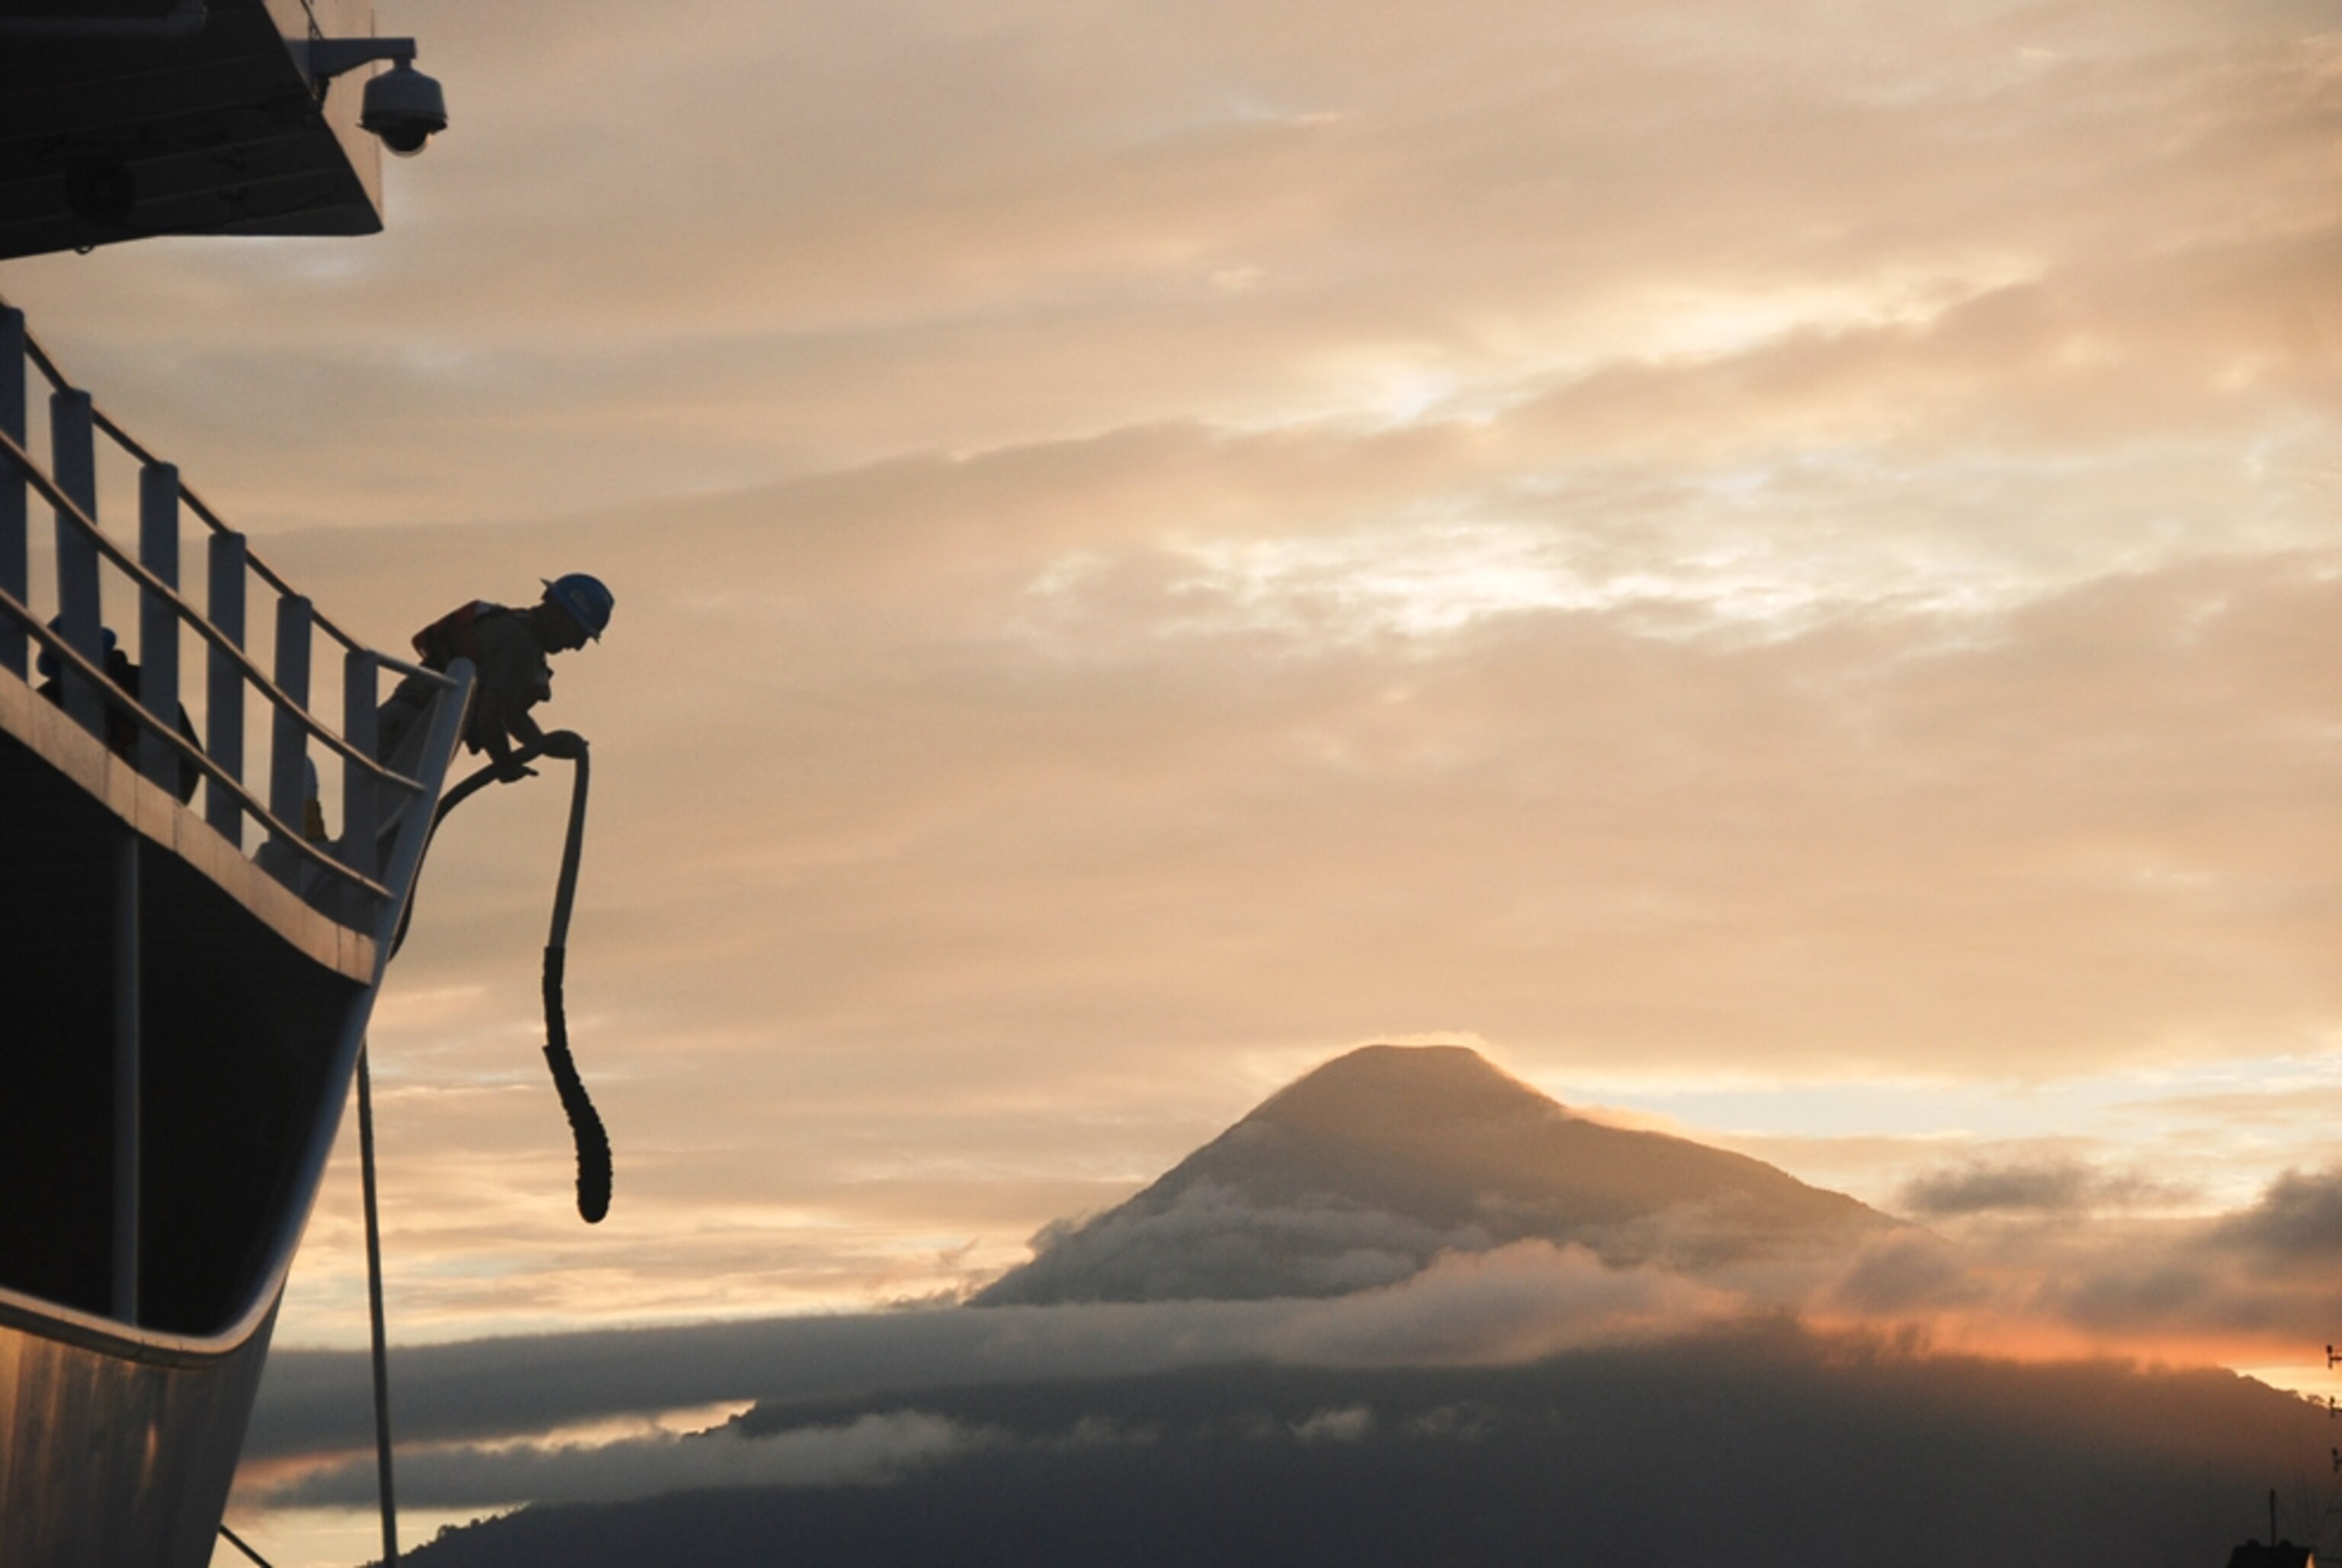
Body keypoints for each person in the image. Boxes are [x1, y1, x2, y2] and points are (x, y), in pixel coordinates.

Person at [375, 573, 612, 775]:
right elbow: (490, 715)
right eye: (579, 634)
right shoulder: (521, 645)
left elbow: (512, 716)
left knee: (385, 818)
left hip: (410, 725)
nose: (577, 646)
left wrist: (542, 745)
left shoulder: (514, 631)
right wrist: (505, 764)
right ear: (559, 615)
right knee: (385, 817)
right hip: (412, 730)